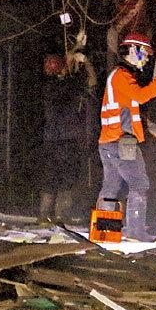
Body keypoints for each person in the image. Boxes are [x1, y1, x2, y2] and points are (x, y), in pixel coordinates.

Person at [96, 32, 156, 241]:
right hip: (123, 141)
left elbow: (131, 111)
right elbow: (141, 96)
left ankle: (105, 231)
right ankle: (136, 233)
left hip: (109, 141)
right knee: (139, 184)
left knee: (111, 186)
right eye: (145, 53)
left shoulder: (119, 77)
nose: (147, 58)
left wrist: (154, 131)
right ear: (133, 50)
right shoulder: (122, 76)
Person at [38, 53, 95, 223]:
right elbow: (92, 81)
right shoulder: (70, 85)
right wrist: (85, 61)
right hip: (67, 139)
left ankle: (44, 215)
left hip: (50, 140)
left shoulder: (47, 86)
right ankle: (61, 215)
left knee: (50, 176)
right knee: (67, 177)